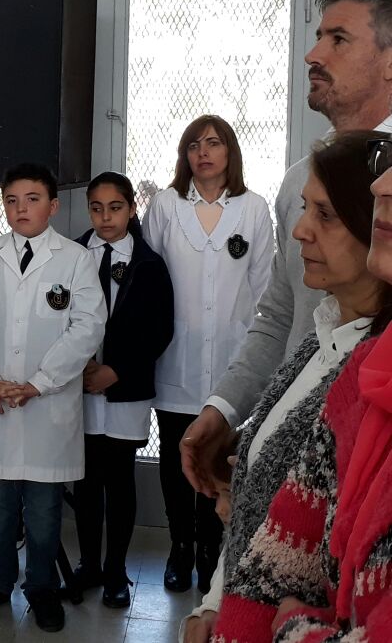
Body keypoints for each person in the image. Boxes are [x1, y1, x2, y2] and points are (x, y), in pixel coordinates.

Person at [182, 0, 392, 502]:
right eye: (319, 36)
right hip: (285, 449)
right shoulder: (301, 178)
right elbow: (280, 314)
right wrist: (224, 407)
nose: (313, 55)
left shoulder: (390, 186)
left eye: (338, 39)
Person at [182, 130, 392, 642]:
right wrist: (213, 604)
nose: (300, 231)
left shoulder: (368, 378)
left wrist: (290, 626)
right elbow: (263, 525)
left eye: (326, 215)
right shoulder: (319, 340)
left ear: (377, 227)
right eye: (304, 209)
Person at [0, 163, 106, 633]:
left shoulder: (75, 259)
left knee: (43, 512)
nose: (21, 209)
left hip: (48, 404)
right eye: (12, 200)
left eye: (32, 199)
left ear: (53, 206)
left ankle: (41, 587)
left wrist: (41, 381)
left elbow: (88, 326)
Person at [142, 115, 274, 594]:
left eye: (214, 143)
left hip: (232, 361)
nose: (204, 153)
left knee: (219, 455)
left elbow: (264, 286)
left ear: (229, 152)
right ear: (185, 155)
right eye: (194, 145)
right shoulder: (166, 204)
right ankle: (180, 547)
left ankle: (211, 551)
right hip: (175, 356)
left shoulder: (253, 208)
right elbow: (148, 279)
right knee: (176, 457)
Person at [72, 172, 174, 609]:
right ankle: (88, 565)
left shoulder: (149, 264)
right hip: (81, 386)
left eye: (115, 208)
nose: (105, 217)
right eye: (96, 208)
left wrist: (116, 371)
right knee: (86, 479)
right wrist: (79, 367)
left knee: (118, 477)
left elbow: (159, 330)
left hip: (126, 389)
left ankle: (115, 569)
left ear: (132, 209)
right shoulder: (74, 254)